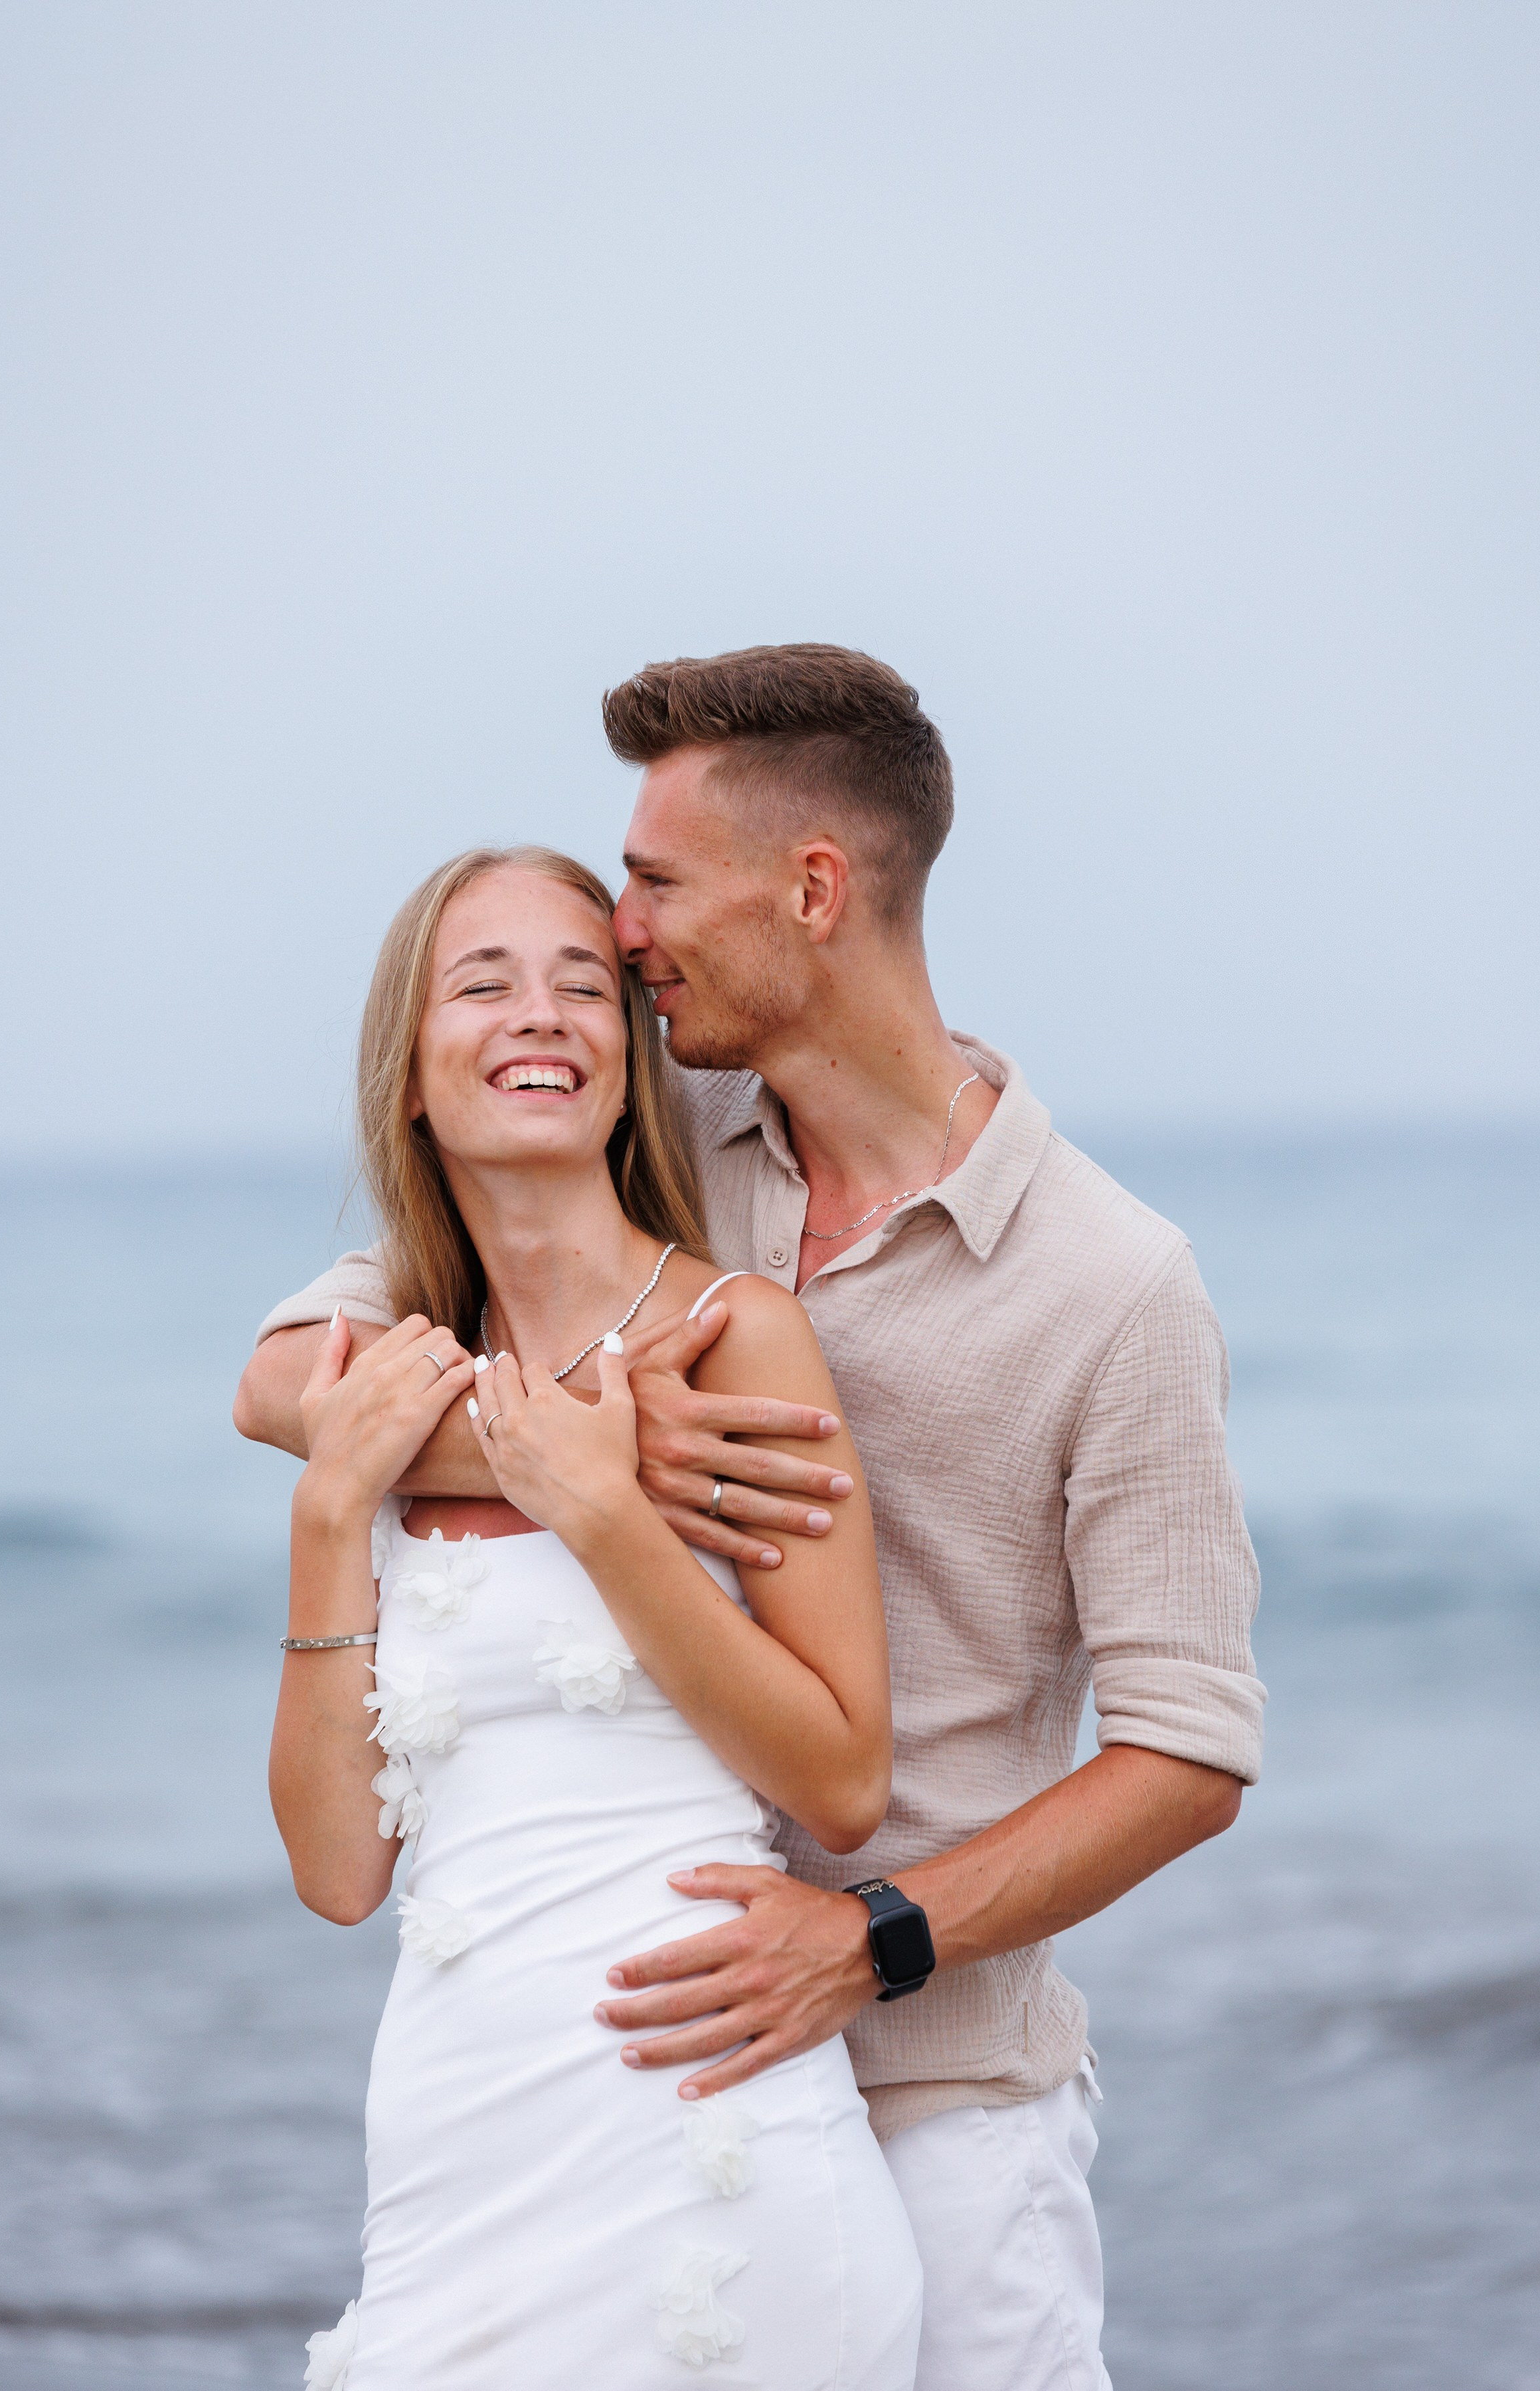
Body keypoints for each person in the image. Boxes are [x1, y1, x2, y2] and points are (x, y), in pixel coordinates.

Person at [238, 644, 1266, 2391]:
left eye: (649, 885)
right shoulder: (665, 1131)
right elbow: (294, 1375)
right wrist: (598, 1452)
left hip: (939, 2088)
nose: (621, 938)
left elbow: (1188, 1753)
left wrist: (875, 1938)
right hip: (584, 2070)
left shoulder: (1113, 1282)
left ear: (812, 890)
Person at [272, 843, 922, 2388]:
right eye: (483, 983)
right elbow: (337, 1871)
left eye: (583, 985)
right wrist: (324, 1516)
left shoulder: (733, 1340)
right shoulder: (391, 1383)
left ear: (631, 1075)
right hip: (457, 2154)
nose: (540, 1015)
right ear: (413, 1075)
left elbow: (840, 1777)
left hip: (707, 2138)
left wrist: (606, 1514)